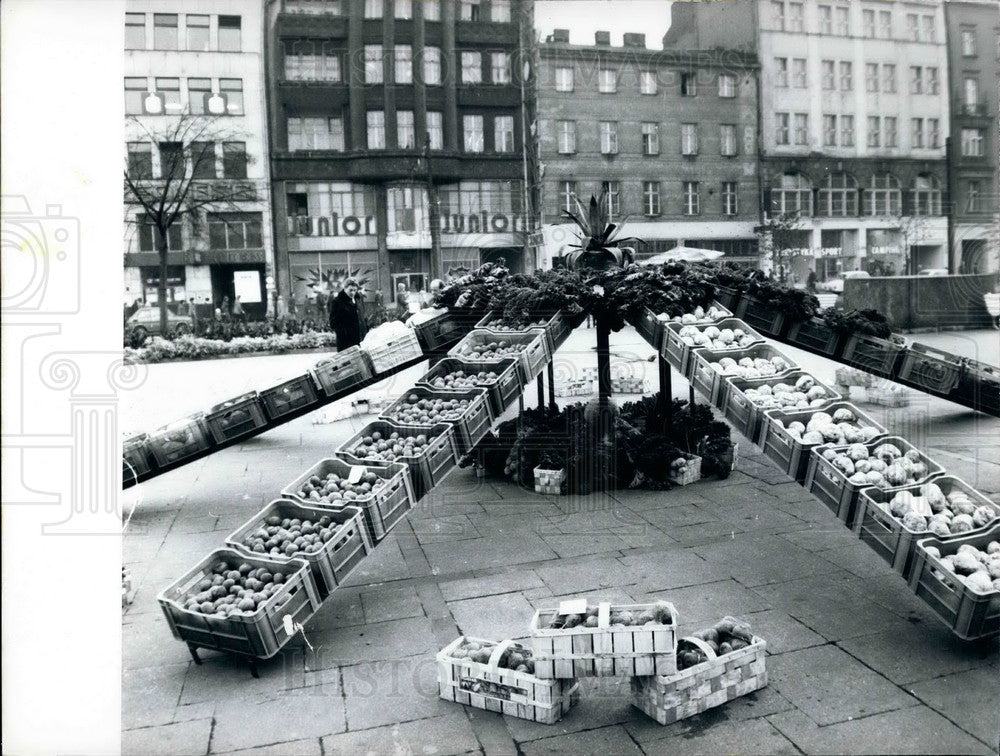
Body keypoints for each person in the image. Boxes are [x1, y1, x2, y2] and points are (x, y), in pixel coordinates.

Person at [329, 278, 368, 351]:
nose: (353, 293)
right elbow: (333, 323)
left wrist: (366, 329)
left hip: (361, 341)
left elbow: (363, 316)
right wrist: (346, 333)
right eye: (350, 290)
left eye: (354, 290)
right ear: (345, 288)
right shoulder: (337, 302)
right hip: (346, 343)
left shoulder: (359, 299)